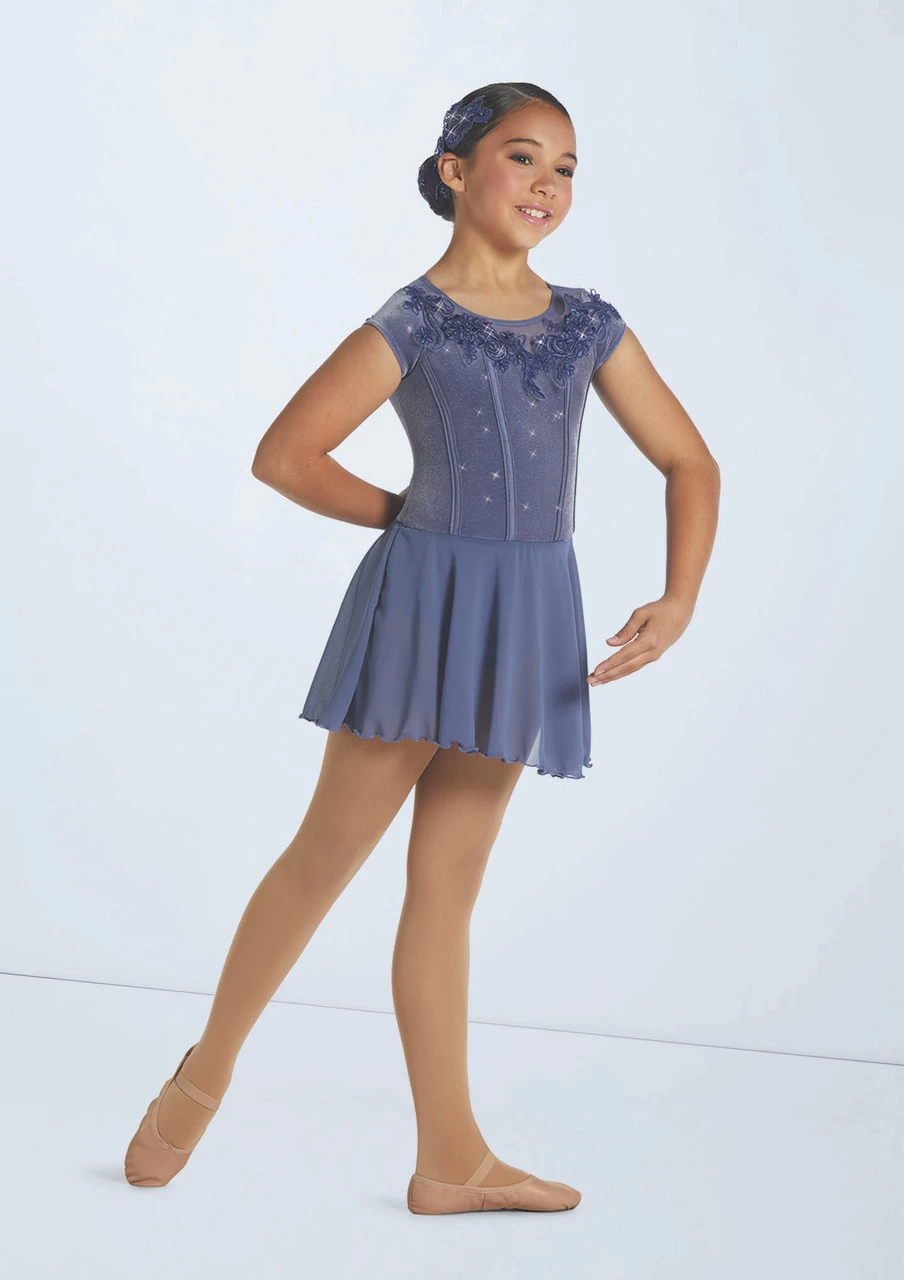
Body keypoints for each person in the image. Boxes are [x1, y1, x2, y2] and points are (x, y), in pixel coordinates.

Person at [124, 81, 720, 1214]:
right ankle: (204, 1075)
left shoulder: (587, 322)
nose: (547, 184)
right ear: (455, 170)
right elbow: (286, 455)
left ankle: (450, 1158)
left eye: (566, 167)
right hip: (423, 604)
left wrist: (679, 596)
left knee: (445, 890)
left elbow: (690, 460)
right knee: (325, 858)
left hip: (528, 612)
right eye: (522, 156)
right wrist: (409, 516)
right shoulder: (416, 320)